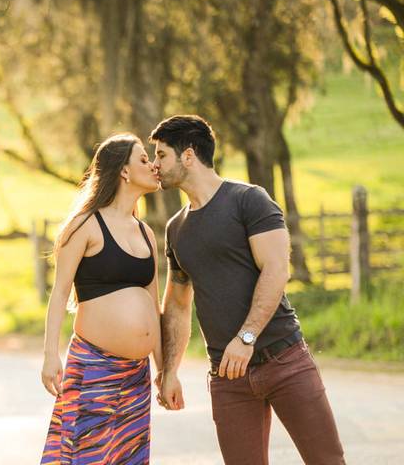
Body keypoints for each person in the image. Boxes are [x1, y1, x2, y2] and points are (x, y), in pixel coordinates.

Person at [150, 115, 345, 464]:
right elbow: (177, 304)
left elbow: (276, 268)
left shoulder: (248, 200)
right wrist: (169, 371)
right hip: (227, 377)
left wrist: (247, 337)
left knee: (327, 461)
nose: (155, 165)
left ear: (188, 155)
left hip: (283, 360)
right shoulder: (176, 229)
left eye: (162, 155)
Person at [39, 133, 163, 464]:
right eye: (142, 159)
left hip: (136, 375)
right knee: (87, 456)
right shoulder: (85, 225)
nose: (152, 165)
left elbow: (153, 307)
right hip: (94, 367)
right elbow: (60, 293)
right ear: (123, 171)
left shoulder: (146, 233)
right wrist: (51, 356)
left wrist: (165, 371)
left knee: (129, 458)